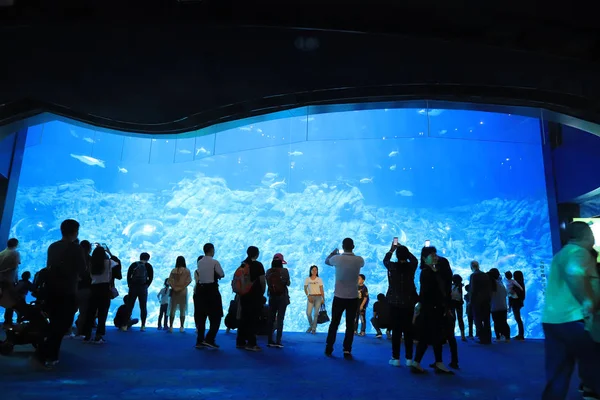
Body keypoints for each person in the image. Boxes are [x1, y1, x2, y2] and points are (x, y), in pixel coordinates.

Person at [542, 221, 600, 400]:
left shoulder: (561, 254)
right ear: (587, 235)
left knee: (559, 373)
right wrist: (588, 302)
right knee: (595, 366)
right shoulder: (578, 252)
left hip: (553, 321)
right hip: (575, 319)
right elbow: (574, 272)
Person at [32, 219, 87, 369]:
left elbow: (49, 266)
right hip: (67, 290)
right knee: (62, 325)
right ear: (75, 232)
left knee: (54, 323)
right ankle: (47, 354)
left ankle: (47, 353)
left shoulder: (53, 246)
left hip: (51, 290)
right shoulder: (77, 249)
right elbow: (83, 270)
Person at [411, 246, 454, 374]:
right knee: (435, 335)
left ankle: (418, 362)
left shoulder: (432, 271)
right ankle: (437, 363)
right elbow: (428, 292)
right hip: (432, 309)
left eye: (436, 255)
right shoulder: (427, 272)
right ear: (424, 258)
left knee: (428, 336)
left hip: (432, 308)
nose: (436, 257)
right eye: (432, 255)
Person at [324, 238, 365, 357]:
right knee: (350, 324)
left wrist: (334, 253)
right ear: (353, 246)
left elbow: (327, 261)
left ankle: (329, 347)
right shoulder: (359, 260)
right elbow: (361, 263)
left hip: (339, 297)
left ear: (343, 246)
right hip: (353, 297)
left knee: (334, 323)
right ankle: (347, 349)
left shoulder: (337, 259)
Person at [383, 243, 418, 367]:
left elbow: (385, 260)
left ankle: (395, 357)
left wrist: (392, 249)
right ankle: (409, 358)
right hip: (409, 302)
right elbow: (415, 260)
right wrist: (405, 250)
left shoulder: (392, 266)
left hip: (394, 302)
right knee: (408, 330)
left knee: (396, 330)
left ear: (397, 256)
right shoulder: (411, 266)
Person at [236, 246, 266, 352]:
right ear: (256, 254)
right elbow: (263, 281)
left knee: (244, 317)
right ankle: (251, 343)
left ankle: (240, 341)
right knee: (253, 319)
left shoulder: (243, 264)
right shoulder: (258, 265)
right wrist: (262, 292)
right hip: (255, 296)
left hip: (244, 295)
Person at [194, 243, 225, 348]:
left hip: (200, 291)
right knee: (216, 317)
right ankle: (210, 338)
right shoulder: (214, 262)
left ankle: (200, 340)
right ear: (211, 250)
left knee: (201, 316)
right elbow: (221, 274)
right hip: (212, 291)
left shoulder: (200, 262)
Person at [82, 246, 114, 344]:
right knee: (102, 313)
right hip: (104, 289)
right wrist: (109, 252)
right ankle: (98, 336)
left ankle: (87, 335)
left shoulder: (91, 263)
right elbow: (116, 261)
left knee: (90, 312)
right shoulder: (108, 263)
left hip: (93, 288)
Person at [266, 253, 291, 348]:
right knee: (280, 318)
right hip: (282, 297)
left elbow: (268, 283)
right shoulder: (284, 271)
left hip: (272, 296)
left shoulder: (268, 271)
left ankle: (269, 340)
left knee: (271, 318)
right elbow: (288, 283)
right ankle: (278, 341)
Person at [127, 252, 153, 332]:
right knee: (143, 306)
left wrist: (130, 285)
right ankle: (143, 325)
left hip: (133, 287)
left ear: (140, 257)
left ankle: (125, 324)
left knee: (130, 305)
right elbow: (151, 278)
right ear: (148, 259)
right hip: (143, 288)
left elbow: (128, 275)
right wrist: (146, 286)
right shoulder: (148, 266)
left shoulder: (134, 265)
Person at [470, 260, 493, 344]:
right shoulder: (486, 275)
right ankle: (488, 338)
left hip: (477, 301)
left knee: (478, 319)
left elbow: (472, 290)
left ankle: (482, 338)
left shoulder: (473, 276)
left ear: (471, 267)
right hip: (486, 300)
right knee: (486, 319)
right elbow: (489, 288)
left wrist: (471, 301)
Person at [168, 256, 192, 333]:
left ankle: (171, 326)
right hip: (183, 291)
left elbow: (169, 281)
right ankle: (181, 327)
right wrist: (181, 287)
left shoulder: (173, 270)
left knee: (172, 308)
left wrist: (174, 287)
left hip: (174, 291)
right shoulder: (187, 271)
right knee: (183, 309)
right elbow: (189, 281)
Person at [0, 238, 21, 326]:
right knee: (10, 302)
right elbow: (15, 266)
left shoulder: (1, 253)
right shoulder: (15, 253)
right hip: (9, 280)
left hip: (0, 280)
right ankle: (8, 322)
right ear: (16, 244)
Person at [75, 240, 92, 336]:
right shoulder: (91, 259)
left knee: (69, 311)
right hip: (86, 288)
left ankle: (67, 331)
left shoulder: (74, 259)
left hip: (73, 287)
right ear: (89, 248)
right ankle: (80, 332)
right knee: (83, 312)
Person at [489, 268, 510, 342]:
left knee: (496, 323)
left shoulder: (490, 284)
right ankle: (507, 337)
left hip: (494, 307)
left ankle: (498, 337)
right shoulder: (501, 283)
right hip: (503, 306)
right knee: (504, 322)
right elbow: (505, 294)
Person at [304, 265, 324, 334]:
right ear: (310, 271)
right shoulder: (307, 279)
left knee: (316, 314)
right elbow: (305, 288)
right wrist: (308, 295)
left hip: (318, 297)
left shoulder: (319, 279)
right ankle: (311, 325)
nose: (314, 271)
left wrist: (323, 298)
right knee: (308, 313)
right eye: (313, 270)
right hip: (311, 297)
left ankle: (313, 329)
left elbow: (321, 289)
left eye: (316, 270)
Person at [450, 274, 466, 341]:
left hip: (452, 304)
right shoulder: (460, 286)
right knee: (460, 319)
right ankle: (463, 335)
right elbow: (460, 297)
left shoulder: (451, 286)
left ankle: (452, 334)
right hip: (459, 304)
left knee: (452, 319)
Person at [512, 270, 526, 340]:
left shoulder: (517, 283)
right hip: (519, 303)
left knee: (518, 319)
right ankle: (520, 334)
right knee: (518, 319)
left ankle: (521, 335)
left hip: (516, 303)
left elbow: (515, 293)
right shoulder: (521, 282)